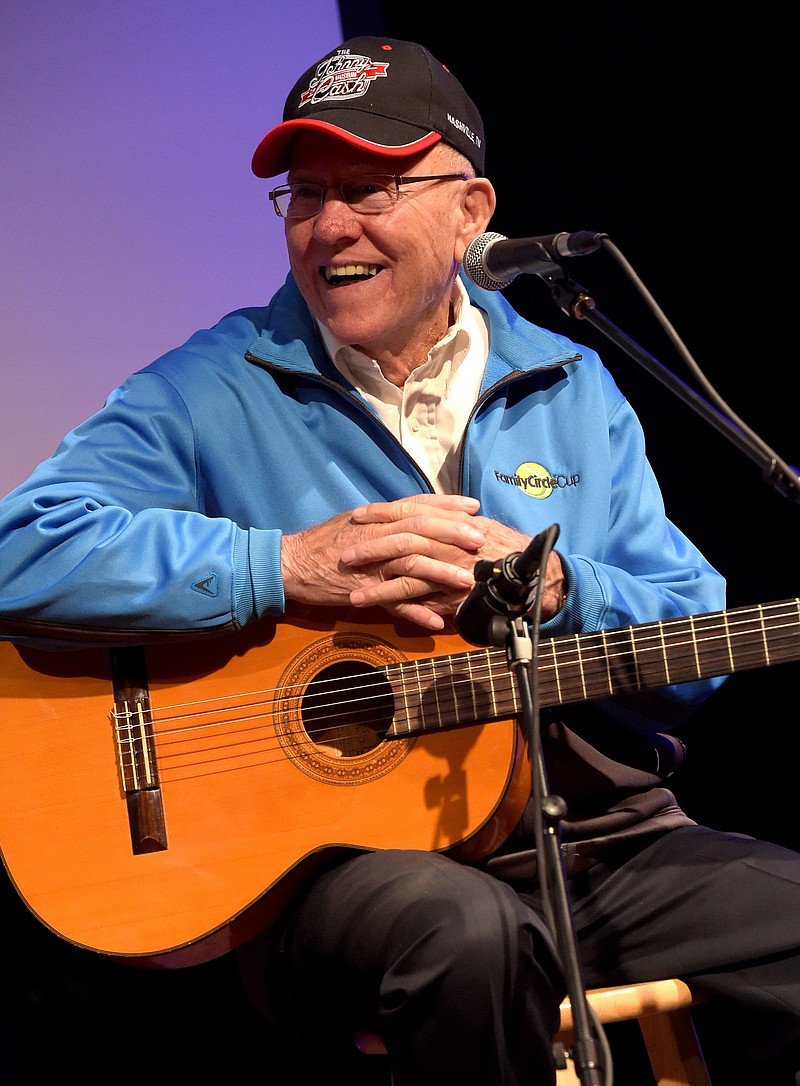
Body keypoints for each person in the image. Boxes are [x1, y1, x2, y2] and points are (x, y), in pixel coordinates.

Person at [0, 34, 798, 1086]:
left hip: (590, 844)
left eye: (370, 190)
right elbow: (21, 548)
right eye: (305, 194)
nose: (330, 226)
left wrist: (560, 590)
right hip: (346, 883)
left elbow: (689, 642)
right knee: (460, 940)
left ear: (471, 211)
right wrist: (280, 565)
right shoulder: (210, 385)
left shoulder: (568, 379)